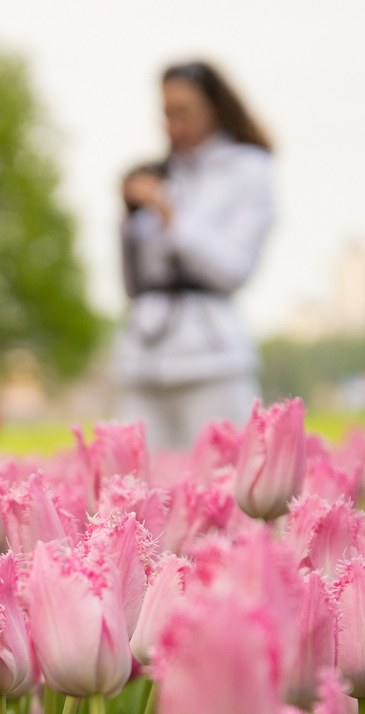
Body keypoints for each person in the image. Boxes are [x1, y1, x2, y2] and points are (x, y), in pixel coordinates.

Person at [114, 61, 276, 452]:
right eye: (167, 113)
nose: (174, 126)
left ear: (215, 109)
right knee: (134, 488)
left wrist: (169, 214)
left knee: (221, 485)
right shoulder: (161, 172)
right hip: (144, 354)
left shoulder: (248, 169)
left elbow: (233, 268)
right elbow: (136, 275)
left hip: (213, 358)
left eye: (184, 112)